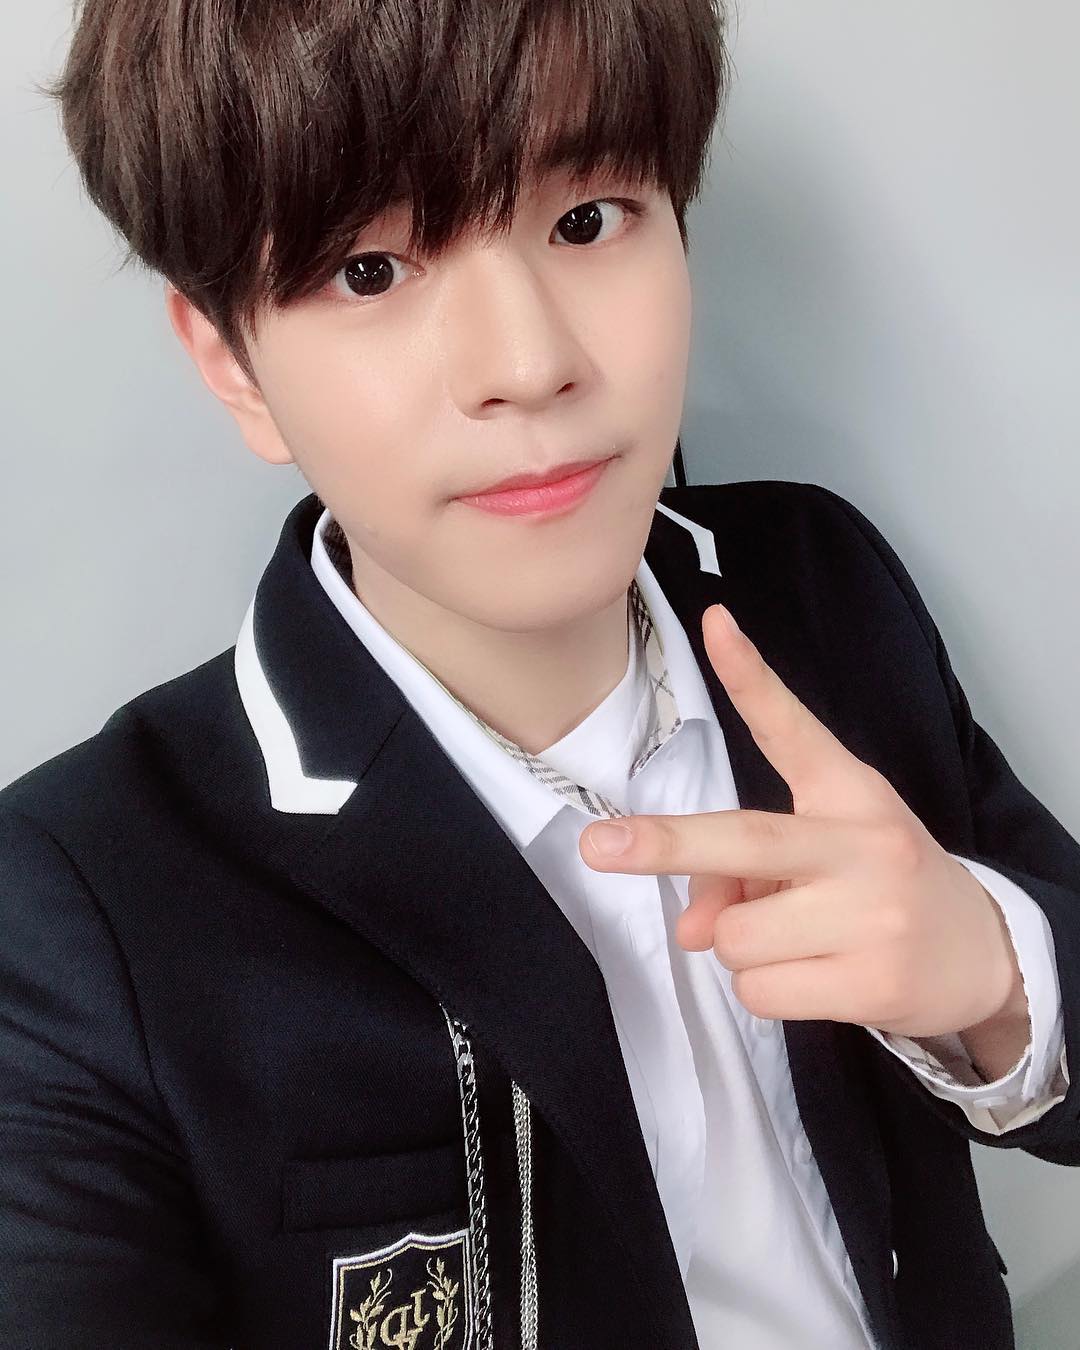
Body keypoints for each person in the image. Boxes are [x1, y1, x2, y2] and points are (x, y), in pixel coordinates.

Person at [3, 1, 1078, 1347]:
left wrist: (993, 976)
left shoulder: (818, 587)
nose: (530, 365)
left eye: (587, 221)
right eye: (369, 271)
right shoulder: (72, 907)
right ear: (234, 364)